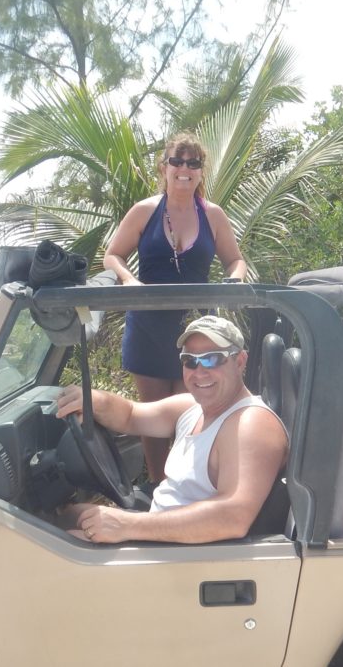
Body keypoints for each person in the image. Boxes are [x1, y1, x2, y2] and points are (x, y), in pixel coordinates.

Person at [55, 316, 287, 544]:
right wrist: (93, 400)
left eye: (212, 359)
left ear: (239, 361)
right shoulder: (192, 407)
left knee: (54, 550)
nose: (199, 371)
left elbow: (233, 517)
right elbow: (130, 415)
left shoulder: (251, 424)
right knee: (61, 517)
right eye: (190, 360)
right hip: (160, 530)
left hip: (184, 556)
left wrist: (126, 525)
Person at [104, 132, 248, 484]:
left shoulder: (213, 215)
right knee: (153, 422)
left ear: (201, 172)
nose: (184, 169)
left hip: (195, 334)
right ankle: (156, 491)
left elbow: (236, 261)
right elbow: (112, 254)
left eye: (193, 163)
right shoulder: (145, 211)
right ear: (164, 167)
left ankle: (187, 487)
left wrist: (235, 280)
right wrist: (128, 279)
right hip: (147, 329)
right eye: (177, 162)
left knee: (192, 415)